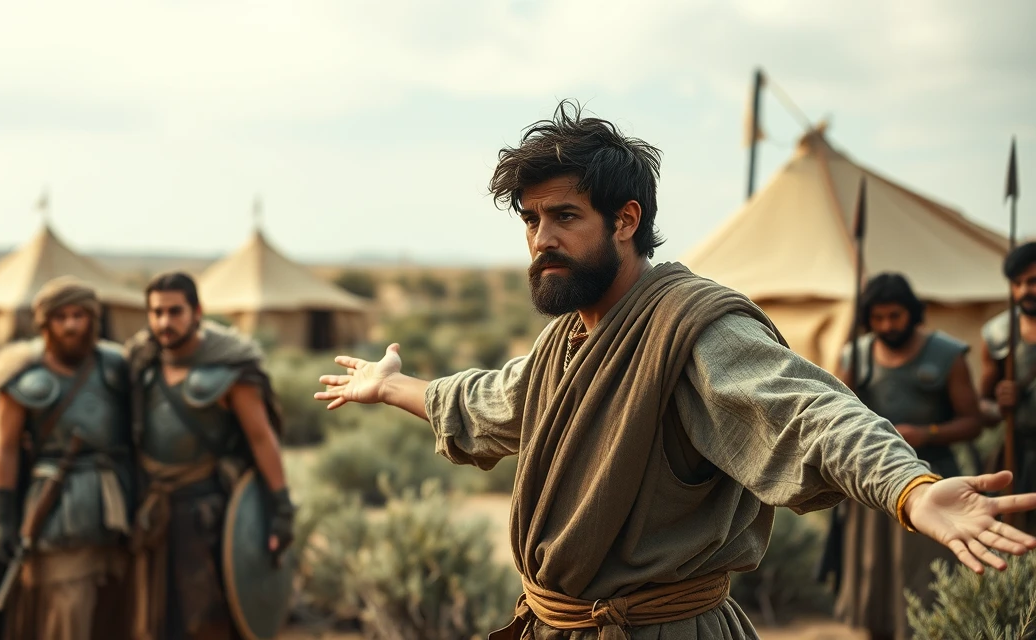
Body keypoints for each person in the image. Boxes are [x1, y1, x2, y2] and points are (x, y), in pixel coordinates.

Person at [313, 101, 1036, 640]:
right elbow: (490, 401)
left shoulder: (692, 331)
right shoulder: (571, 340)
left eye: (563, 217)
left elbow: (809, 413)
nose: (541, 240)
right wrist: (390, 387)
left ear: (626, 221)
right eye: (531, 221)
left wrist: (911, 488)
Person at [126, 272, 296, 640]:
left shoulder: (229, 370)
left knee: (207, 621)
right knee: (154, 621)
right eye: (156, 312)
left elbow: (261, 439)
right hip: (153, 512)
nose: (164, 322)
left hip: (208, 515)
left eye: (175, 311)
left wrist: (281, 507)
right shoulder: (141, 365)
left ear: (197, 312)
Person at [0, 277, 133, 640]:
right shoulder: (25, 379)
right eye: (61, 317)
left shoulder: (118, 367)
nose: (71, 325)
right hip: (57, 511)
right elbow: (7, 448)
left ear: (94, 319)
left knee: (118, 615)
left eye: (79, 315)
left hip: (118, 511)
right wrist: (3, 517)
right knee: (65, 615)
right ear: (45, 325)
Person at [830, 273, 983, 640]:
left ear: (912, 313)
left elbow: (973, 422)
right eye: (878, 318)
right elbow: (834, 416)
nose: (886, 325)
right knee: (874, 577)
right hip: (872, 485)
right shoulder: (856, 355)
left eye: (894, 316)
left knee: (926, 579)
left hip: (932, 482)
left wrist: (926, 433)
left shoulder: (948, 354)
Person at [979, 241, 1036, 534]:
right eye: (1017, 283)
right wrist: (1001, 405)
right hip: (1017, 453)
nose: (1024, 291)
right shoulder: (999, 335)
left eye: (1033, 281)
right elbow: (982, 407)